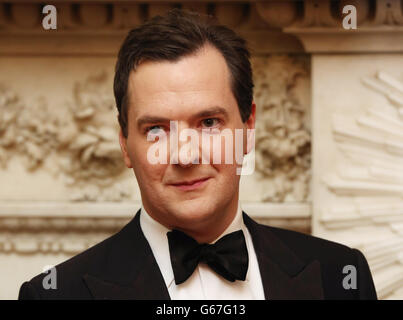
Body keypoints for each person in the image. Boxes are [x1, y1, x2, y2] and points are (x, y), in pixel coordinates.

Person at [18, 8, 377, 300]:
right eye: (156, 129)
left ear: (248, 127)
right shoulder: (55, 295)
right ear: (125, 143)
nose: (185, 156)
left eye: (208, 122)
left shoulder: (341, 278)